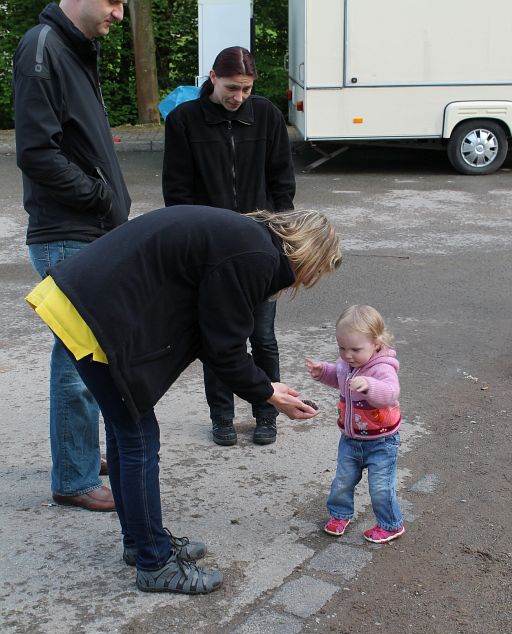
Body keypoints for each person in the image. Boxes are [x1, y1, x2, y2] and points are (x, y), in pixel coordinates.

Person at [25, 205, 341, 594]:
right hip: (95, 311)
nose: (305, 282)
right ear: (309, 255)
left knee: (128, 432)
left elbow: (212, 332)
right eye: (314, 273)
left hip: (84, 301)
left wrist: (264, 388)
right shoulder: (255, 255)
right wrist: (267, 393)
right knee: (139, 439)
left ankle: (140, 542)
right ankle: (155, 564)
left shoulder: (248, 240)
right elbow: (224, 347)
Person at [13, 0, 131, 511]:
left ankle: (78, 454)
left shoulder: (74, 49)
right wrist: (101, 197)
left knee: (88, 351)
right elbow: (37, 152)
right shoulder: (44, 47)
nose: (120, 14)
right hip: (67, 231)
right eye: (114, 1)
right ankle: (74, 479)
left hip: (87, 229)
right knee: (77, 356)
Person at [162, 46, 295, 448]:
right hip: (211, 252)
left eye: (246, 89)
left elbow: (282, 182)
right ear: (212, 77)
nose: (239, 96)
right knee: (217, 338)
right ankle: (221, 417)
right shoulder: (184, 120)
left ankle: (266, 413)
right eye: (231, 87)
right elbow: (177, 192)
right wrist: (195, 244)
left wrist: (279, 234)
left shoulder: (267, 115)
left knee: (263, 336)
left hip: (261, 247)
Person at [306, 305, 404, 544]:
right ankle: (340, 515)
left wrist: (370, 385)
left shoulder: (382, 367)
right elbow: (339, 378)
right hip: (350, 439)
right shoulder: (346, 364)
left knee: (380, 487)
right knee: (342, 481)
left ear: (376, 343)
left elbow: (390, 392)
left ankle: (391, 524)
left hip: (381, 441)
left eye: (355, 349)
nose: (347, 355)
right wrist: (323, 372)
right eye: (342, 348)